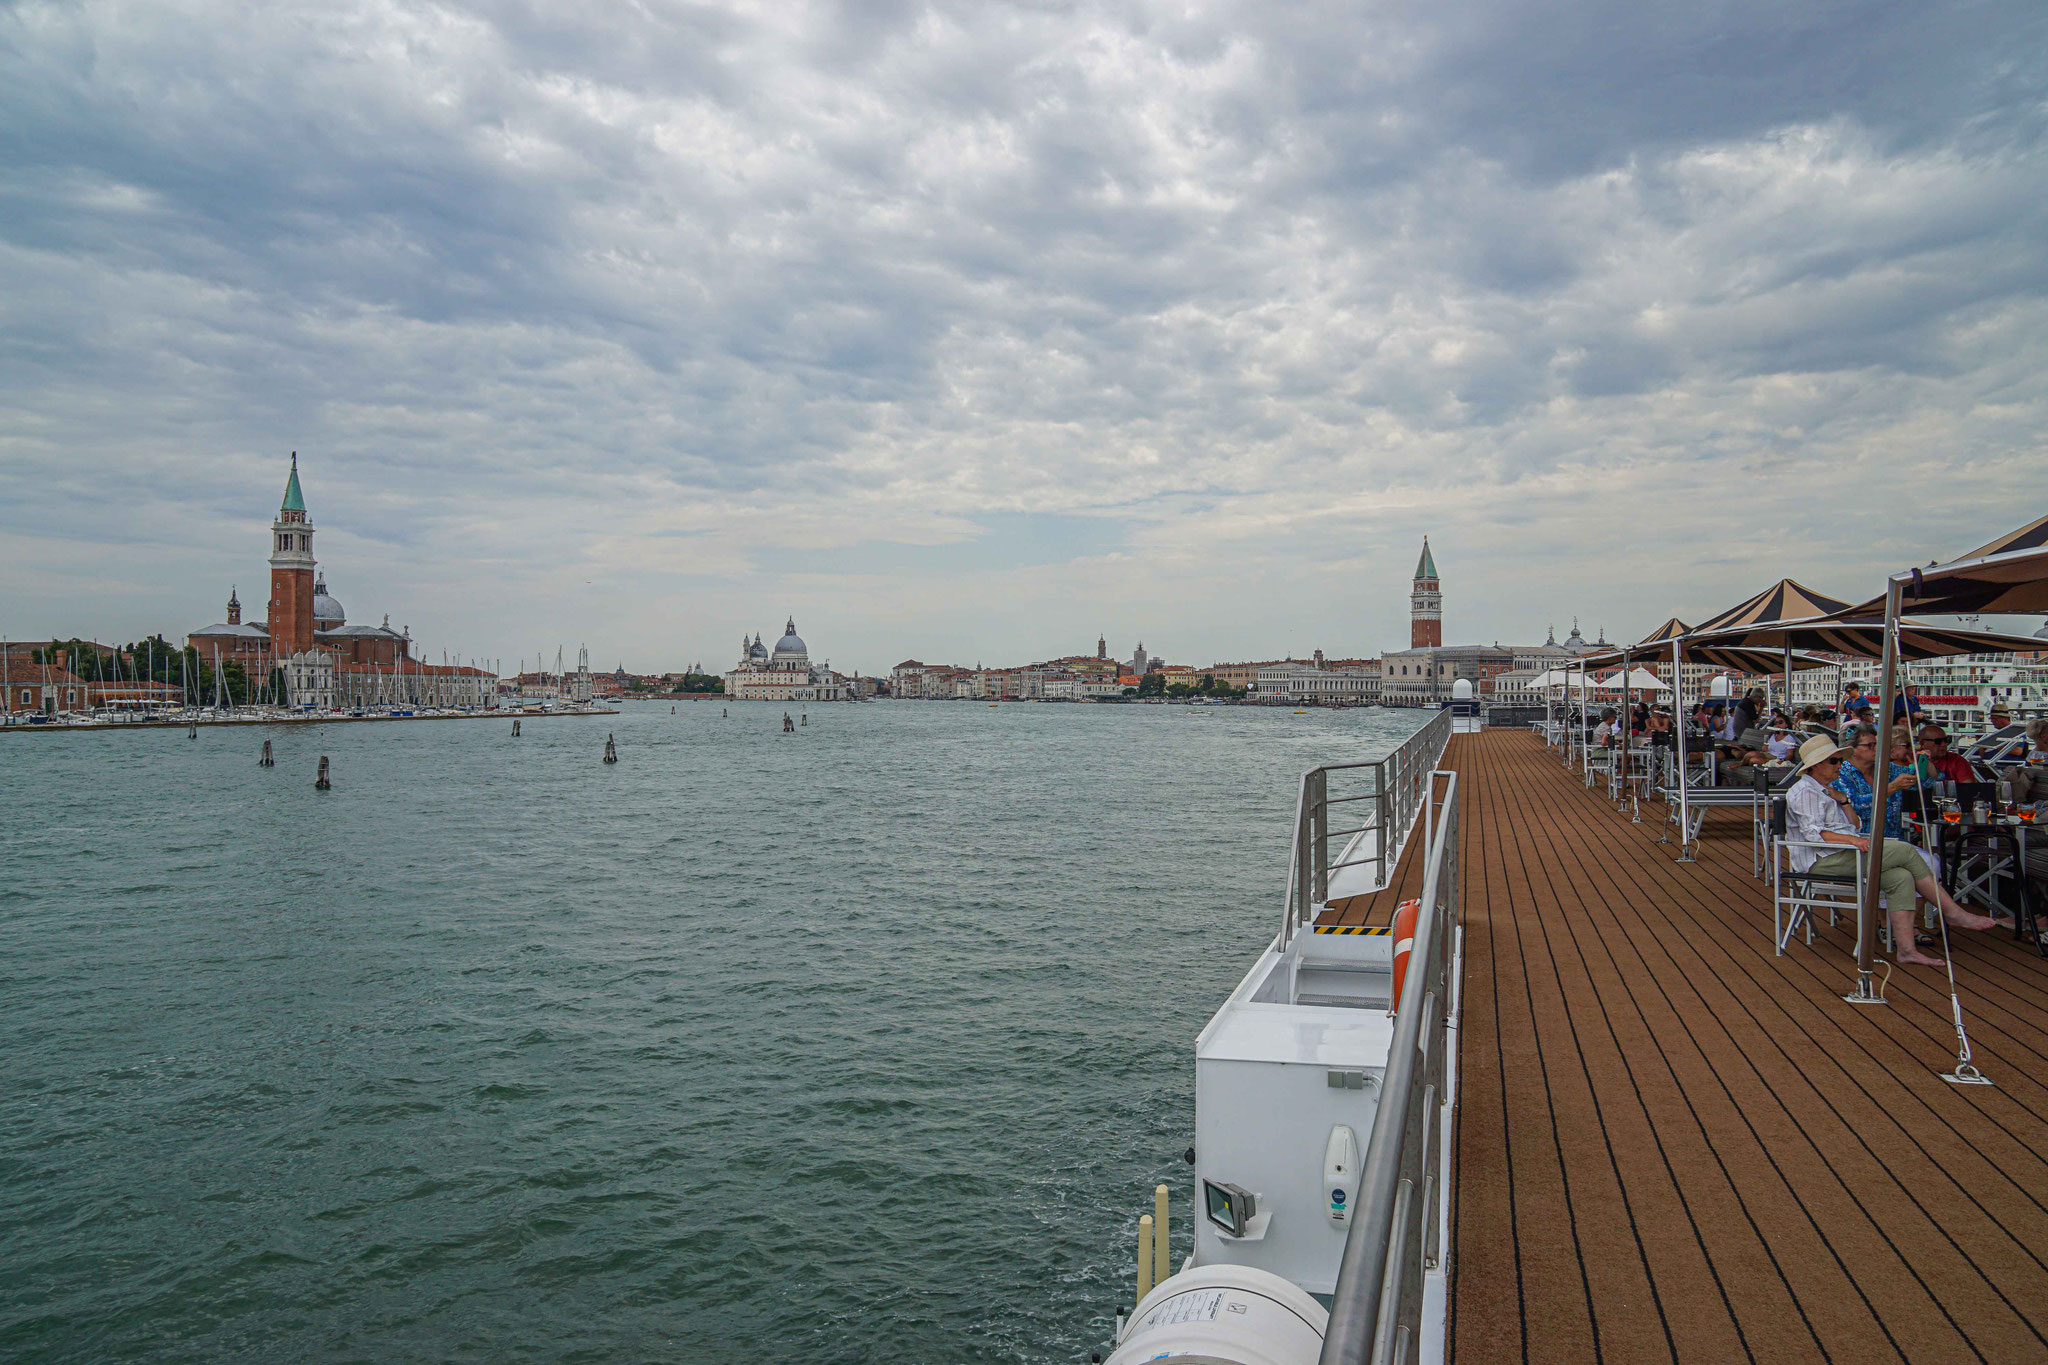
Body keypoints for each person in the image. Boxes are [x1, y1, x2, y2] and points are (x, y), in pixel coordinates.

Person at [1785, 735, 2005, 967]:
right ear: (1816, 765)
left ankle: (1907, 950)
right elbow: (1814, 834)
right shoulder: (1806, 792)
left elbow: (1856, 825)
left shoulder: (1827, 791)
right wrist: (1852, 840)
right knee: (1906, 851)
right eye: (1834, 761)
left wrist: (1844, 802)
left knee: (1901, 877)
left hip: (1842, 852)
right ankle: (1953, 912)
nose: (1840, 765)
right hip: (1820, 860)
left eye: (1839, 760)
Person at [1831, 725, 1917, 840]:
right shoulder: (1840, 774)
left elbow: (1923, 781)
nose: (1877, 748)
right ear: (1851, 749)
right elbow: (1856, 806)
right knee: (1927, 858)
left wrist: (1923, 760)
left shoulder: (1886, 768)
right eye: (1870, 745)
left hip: (1895, 840)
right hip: (1862, 842)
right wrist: (1891, 788)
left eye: (1877, 744)